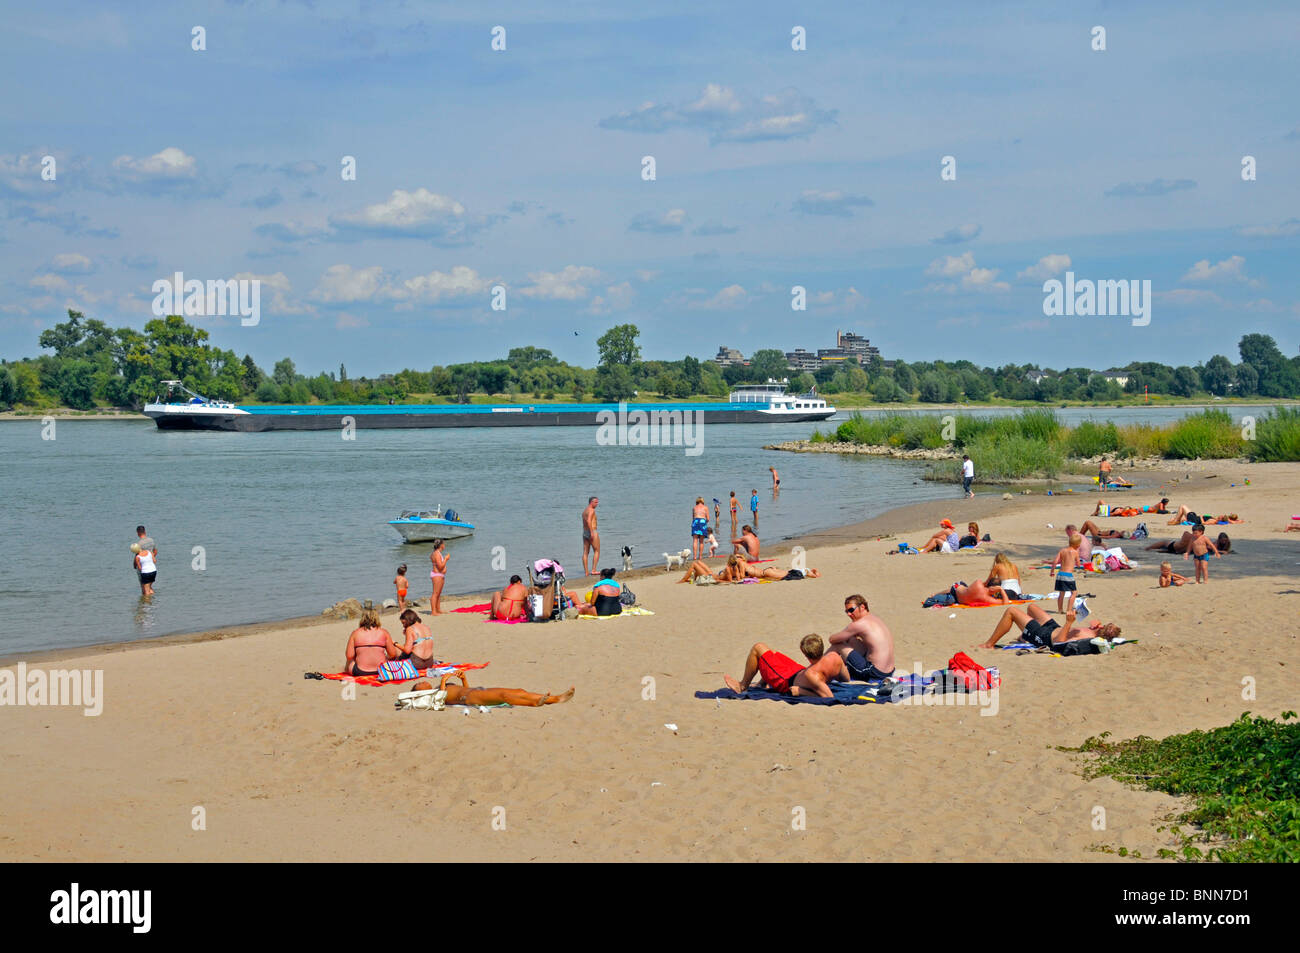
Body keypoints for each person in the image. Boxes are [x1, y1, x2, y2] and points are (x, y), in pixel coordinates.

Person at [723, 635, 849, 698]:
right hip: (799, 670)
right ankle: (762, 683)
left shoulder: (812, 675)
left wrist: (801, 691)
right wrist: (828, 676)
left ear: (805, 654)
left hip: (785, 681)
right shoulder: (834, 656)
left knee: (758, 648)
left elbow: (828, 697)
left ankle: (742, 686)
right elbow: (845, 679)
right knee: (771, 654)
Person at [979, 605, 1121, 650]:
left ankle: (989, 644)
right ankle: (1025, 635)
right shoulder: (1096, 631)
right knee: (1032, 607)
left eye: (1106, 626)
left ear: (1105, 633)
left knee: (1011, 611)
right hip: (1054, 627)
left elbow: (1059, 643)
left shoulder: (1088, 637)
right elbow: (1097, 622)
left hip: (1045, 636)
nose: (1103, 624)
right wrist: (1095, 625)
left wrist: (1069, 623)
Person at [826, 595, 896, 680]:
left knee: (839, 645)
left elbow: (832, 639)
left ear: (862, 607)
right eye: (846, 611)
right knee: (853, 640)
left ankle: (818, 666)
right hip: (889, 672)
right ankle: (827, 666)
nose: (849, 614)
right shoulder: (875, 619)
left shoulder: (859, 624)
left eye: (851, 610)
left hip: (873, 672)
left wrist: (850, 634)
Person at [435, 669, 574, 707]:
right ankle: (535, 702)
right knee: (504, 697)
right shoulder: (441, 692)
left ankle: (554, 698)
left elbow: (465, 689)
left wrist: (463, 678)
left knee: (519, 691)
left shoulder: (449, 687)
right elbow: (440, 701)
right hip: (471, 698)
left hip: (476, 692)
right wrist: (443, 681)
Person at [344, 610, 400, 677]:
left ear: (363, 619)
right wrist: (385, 656)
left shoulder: (355, 633)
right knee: (393, 652)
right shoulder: (384, 632)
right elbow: (392, 654)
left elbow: (349, 655)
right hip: (381, 671)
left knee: (349, 660)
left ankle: (347, 669)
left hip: (360, 672)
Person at [1050, 534, 1082, 614]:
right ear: (1078, 545)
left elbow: (1055, 561)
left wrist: (1052, 571)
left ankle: (1060, 610)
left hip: (1060, 574)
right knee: (1074, 593)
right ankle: (1069, 610)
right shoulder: (1075, 552)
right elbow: (1078, 564)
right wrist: (1077, 563)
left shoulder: (1062, 550)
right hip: (1068, 575)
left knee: (1061, 593)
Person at [133, 525, 157, 596]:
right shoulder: (151, 540)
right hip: (152, 567)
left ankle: (146, 605)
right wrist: (149, 559)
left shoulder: (138, 544)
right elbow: (155, 551)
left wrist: (134, 565)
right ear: (145, 531)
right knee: (149, 587)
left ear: (137, 533)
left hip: (143, 568)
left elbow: (137, 557)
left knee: (144, 589)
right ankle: (153, 602)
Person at [581, 496, 600, 576]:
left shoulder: (585, 511)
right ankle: (593, 570)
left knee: (585, 552)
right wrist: (592, 532)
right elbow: (589, 521)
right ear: (591, 502)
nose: (597, 504)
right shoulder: (592, 510)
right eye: (595, 502)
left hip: (585, 532)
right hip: (592, 531)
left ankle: (586, 572)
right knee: (597, 550)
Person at [429, 539, 448, 615]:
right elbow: (440, 566)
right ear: (441, 545)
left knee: (438, 593)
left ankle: (438, 609)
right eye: (444, 544)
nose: (444, 545)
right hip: (437, 575)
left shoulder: (436, 553)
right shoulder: (436, 554)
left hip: (440, 575)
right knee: (435, 593)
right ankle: (433, 611)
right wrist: (446, 559)